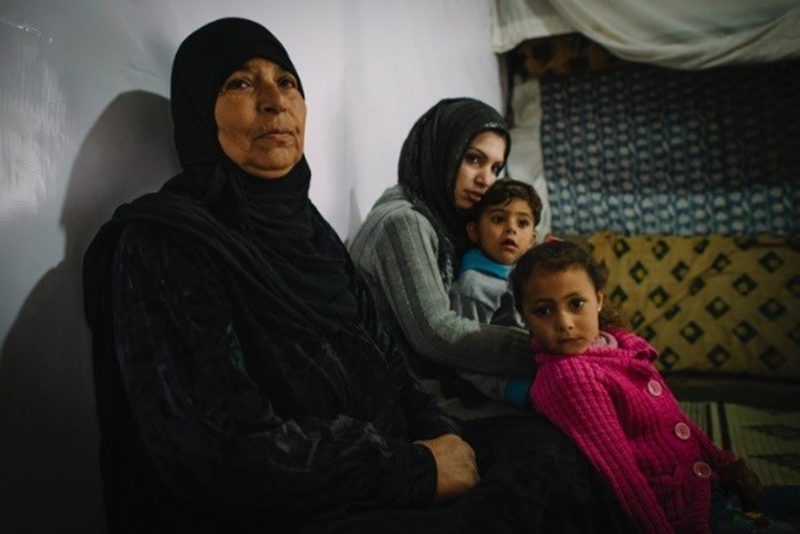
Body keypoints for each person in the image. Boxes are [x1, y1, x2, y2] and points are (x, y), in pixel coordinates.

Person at [82, 18, 633, 534]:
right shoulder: (165, 246)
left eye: (287, 82)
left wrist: (438, 431)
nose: (275, 101)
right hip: (294, 503)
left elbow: (383, 354)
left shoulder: (308, 230)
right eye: (239, 84)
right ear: (200, 112)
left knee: (551, 459)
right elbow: (216, 451)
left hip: (389, 455)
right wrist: (414, 469)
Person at [510, 240, 775, 534]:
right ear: (525, 317)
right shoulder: (570, 376)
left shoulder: (618, 345)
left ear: (598, 299)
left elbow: (675, 421)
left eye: (576, 304)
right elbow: (621, 477)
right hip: (681, 515)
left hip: (711, 486)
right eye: (543, 311)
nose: (564, 323)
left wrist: (725, 466)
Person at [349, 98, 536, 419]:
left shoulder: (438, 220)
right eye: (474, 159)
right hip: (409, 401)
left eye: (495, 168)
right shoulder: (403, 222)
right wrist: (543, 348)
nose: (486, 180)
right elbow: (438, 336)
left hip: (436, 388)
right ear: (443, 151)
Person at [449, 179, 540, 409]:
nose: (511, 228)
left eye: (522, 223)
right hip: (512, 390)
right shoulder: (474, 285)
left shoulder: (531, 275)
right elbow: (465, 359)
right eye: (498, 219)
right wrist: (513, 391)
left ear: (531, 240)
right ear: (474, 231)